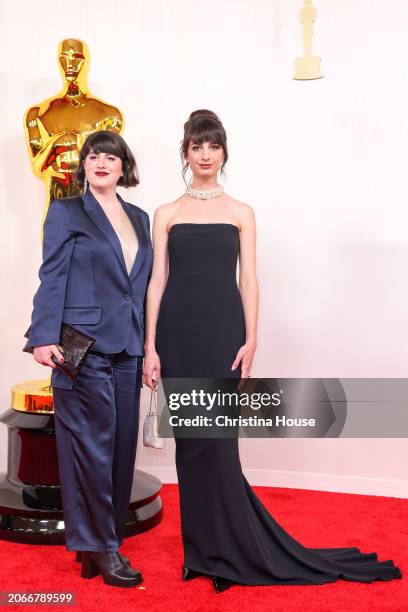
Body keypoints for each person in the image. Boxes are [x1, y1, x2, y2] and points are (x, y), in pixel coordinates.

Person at [142, 110, 402, 592]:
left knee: (218, 445)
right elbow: (157, 282)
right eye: (197, 146)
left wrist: (252, 337)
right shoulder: (167, 213)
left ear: (223, 152)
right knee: (190, 447)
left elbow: (250, 279)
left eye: (213, 146)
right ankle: (199, 552)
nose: (205, 155)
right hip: (177, 333)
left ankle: (231, 548)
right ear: (185, 153)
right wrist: (150, 345)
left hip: (222, 331)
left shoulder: (241, 212)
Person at [27, 130, 153, 588]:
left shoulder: (140, 218)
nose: (102, 162)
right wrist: (43, 335)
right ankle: (103, 549)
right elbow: (52, 275)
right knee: (91, 450)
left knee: (120, 450)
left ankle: (100, 542)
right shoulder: (66, 212)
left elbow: (140, 289)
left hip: (128, 348)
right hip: (79, 344)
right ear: (84, 165)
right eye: (94, 155)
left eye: (111, 156)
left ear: (124, 166)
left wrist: (152, 346)